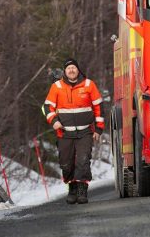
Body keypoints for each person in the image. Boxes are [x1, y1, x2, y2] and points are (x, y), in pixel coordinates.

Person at [43, 58, 104, 204]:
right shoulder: (56, 86)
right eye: (68, 68)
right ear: (65, 71)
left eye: (74, 68)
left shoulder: (89, 84)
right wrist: (54, 121)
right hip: (64, 133)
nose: (71, 70)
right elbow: (47, 107)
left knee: (83, 160)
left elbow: (99, 107)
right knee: (66, 163)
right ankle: (72, 188)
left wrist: (99, 129)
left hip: (85, 131)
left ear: (78, 69)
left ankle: (82, 190)